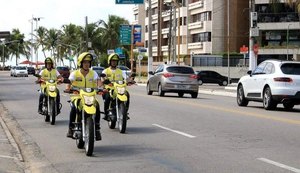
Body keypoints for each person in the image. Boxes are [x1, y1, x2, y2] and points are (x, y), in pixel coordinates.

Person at [66, 52, 102, 141]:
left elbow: (99, 83)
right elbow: (69, 83)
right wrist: (68, 88)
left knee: (97, 106)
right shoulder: (74, 73)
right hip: (77, 96)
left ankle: (97, 128)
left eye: (88, 62)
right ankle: (70, 128)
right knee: (74, 108)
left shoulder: (93, 73)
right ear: (80, 63)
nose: (87, 64)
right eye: (85, 62)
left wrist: (101, 88)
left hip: (90, 96)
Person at [101, 53, 133, 121]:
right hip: (109, 89)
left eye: (115, 61)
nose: (114, 62)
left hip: (120, 89)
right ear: (110, 61)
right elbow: (102, 79)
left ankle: (125, 112)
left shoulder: (121, 71)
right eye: (113, 61)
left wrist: (130, 80)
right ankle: (106, 114)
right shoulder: (105, 71)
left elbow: (126, 78)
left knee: (127, 94)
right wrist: (104, 81)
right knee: (107, 98)